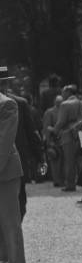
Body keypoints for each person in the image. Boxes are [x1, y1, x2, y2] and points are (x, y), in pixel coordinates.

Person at [0, 67, 44, 218]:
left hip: (18, 160)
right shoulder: (19, 102)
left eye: (3, 83)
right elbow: (33, 133)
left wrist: (40, 157)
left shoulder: (19, 103)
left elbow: (31, 133)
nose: (3, 87)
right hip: (15, 160)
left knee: (20, 204)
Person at [0, 89, 25, 263]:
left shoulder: (7, 104)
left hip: (5, 170)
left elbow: (4, 142)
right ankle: (7, 258)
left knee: (10, 220)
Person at [52, 85, 82, 192]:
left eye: (63, 91)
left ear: (68, 92)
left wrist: (54, 132)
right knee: (81, 160)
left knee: (69, 161)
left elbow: (61, 122)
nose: (62, 93)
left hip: (68, 135)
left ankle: (70, 184)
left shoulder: (65, 104)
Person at [43, 95, 64, 187]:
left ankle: (62, 180)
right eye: (58, 102)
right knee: (55, 161)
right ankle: (56, 180)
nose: (59, 103)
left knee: (63, 161)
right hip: (54, 141)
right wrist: (48, 142)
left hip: (63, 139)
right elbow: (46, 127)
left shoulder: (64, 110)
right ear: (54, 102)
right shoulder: (49, 112)